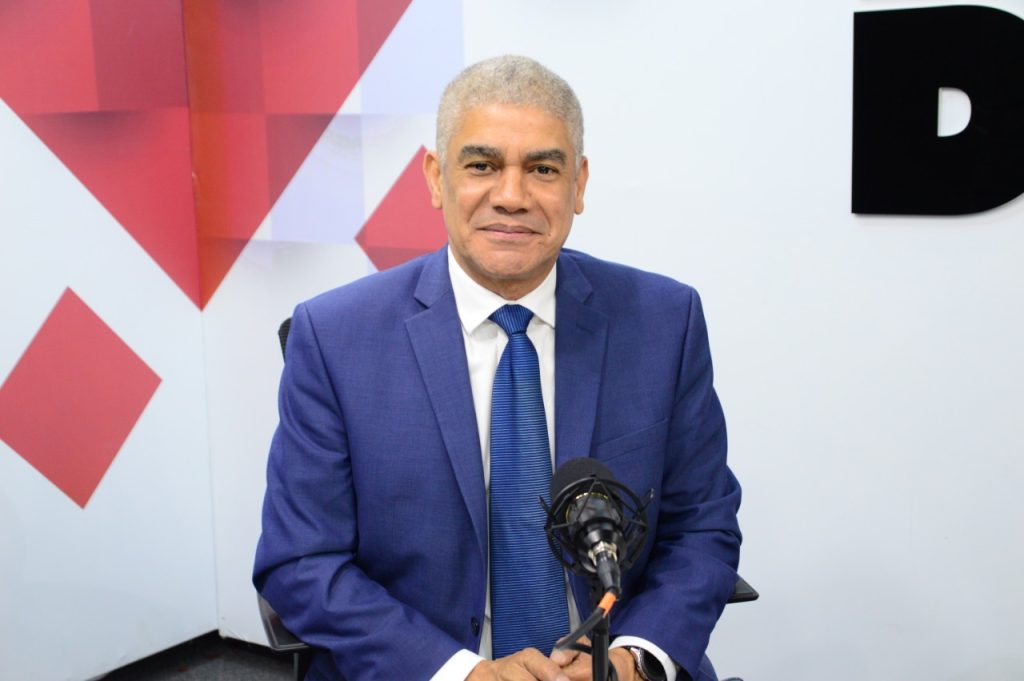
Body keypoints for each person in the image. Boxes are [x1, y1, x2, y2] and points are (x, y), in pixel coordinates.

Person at [254, 55, 741, 681]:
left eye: (543, 169)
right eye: (481, 165)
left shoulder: (664, 322)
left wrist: (632, 658)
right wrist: (460, 672)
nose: (511, 197)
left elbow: (701, 526)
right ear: (436, 178)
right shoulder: (334, 337)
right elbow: (301, 561)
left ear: (579, 185)